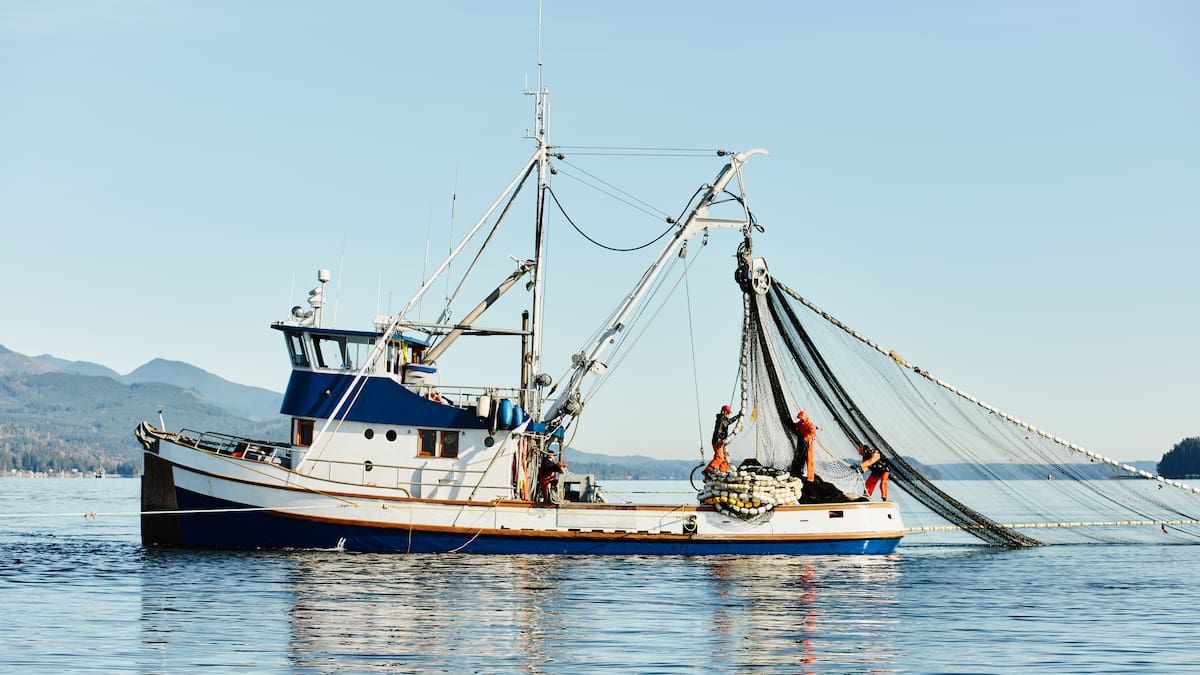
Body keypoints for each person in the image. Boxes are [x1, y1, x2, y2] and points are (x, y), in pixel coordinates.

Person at [704, 405, 741, 477]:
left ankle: (723, 472)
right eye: (728, 413)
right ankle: (707, 471)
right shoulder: (721, 420)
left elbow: (729, 421)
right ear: (724, 412)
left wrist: (737, 416)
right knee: (719, 458)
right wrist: (721, 440)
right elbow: (718, 431)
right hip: (717, 442)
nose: (728, 414)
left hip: (718, 441)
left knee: (723, 459)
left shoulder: (723, 419)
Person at [794, 410, 817, 481]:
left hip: (808, 445)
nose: (800, 420)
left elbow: (813, 433)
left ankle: (810, 478)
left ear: (805, 417)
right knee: (799, 457)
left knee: (809, 460)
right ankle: (799, 472)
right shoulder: (800, 424)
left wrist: (805, 438)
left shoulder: (810, 425)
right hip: (801, 444)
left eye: (801, 418)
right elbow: (795, 425)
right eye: (800, 418)